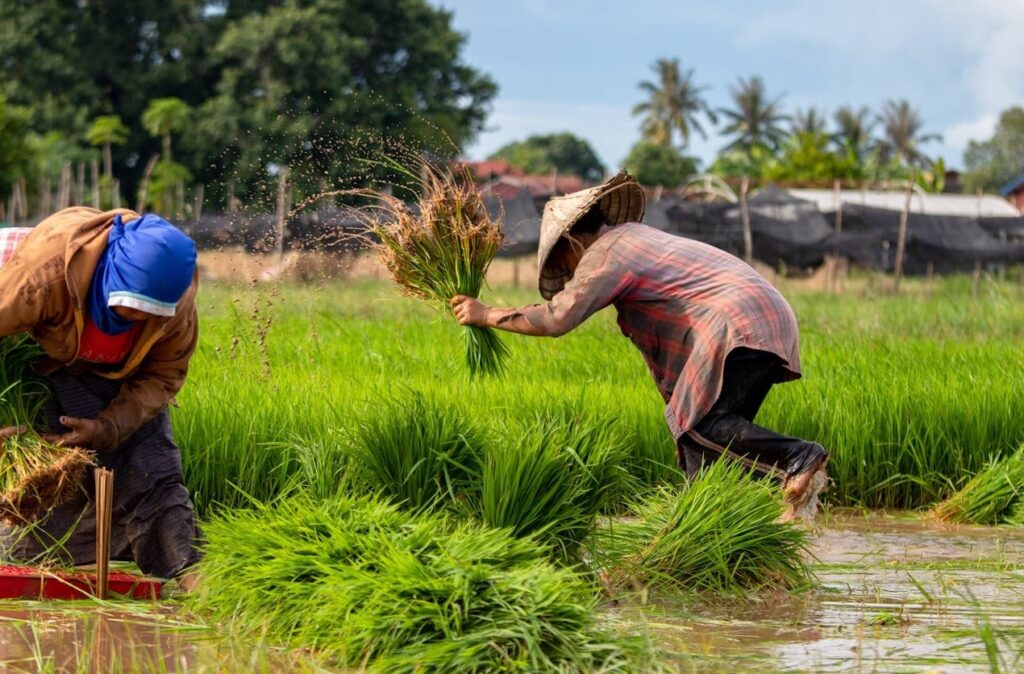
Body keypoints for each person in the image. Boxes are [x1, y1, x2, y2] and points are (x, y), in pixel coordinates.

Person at [452, 172, 829, 521]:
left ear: (570, 241)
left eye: (563, 262)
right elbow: (671, 356)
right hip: (763, 316)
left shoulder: (607, 254)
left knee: (703, 426)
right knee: (706, 455)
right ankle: (715, 538)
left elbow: (556, 319)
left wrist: (486, 315)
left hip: (738, 322)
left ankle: (798, 457)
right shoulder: (636, 239)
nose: (571, 273)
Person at [0, 207, 202, 579]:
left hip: (114, 377)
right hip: (35, 355)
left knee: (151, 469)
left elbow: (162, 377)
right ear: (110, 274)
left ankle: (186, 571)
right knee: (48, 490)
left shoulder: (176, 308)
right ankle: (52, 553)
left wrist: (106, 428)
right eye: (127, 306)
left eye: (148, 313)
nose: (135, 318)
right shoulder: (42, 276)